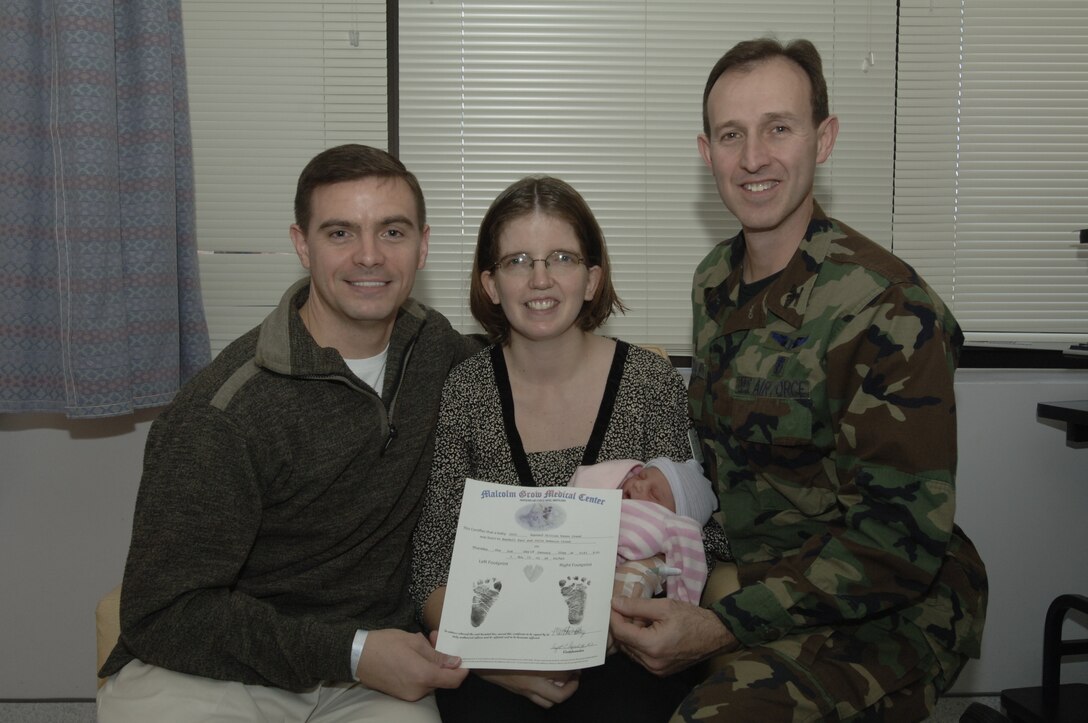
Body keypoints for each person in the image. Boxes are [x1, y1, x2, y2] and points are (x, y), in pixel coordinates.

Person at [610, 38, 988, 722]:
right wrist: (666, 490)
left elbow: (894, 541)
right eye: (732, 135)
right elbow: (737, 460)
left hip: (887, 604)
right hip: (769, 575)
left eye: (778, 128)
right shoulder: (714, 282)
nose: (753, 158)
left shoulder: (888, 307)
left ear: (824, 137)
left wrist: (724, 623)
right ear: (707, 154)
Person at [97, 144, 482, 723]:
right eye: (340, 234)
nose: (370, 256)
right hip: (219, 670)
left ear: (423, 245)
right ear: (302, 245)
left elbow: (531, 383)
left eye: (393, 232)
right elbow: (162, 613)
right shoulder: (225, 408)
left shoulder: (438, 352)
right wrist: (350, 652)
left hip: (374, 679)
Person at [410, 175, 728, 723]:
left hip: (630, 651)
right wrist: (496, 660)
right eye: (516, 261)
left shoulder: (649, 382)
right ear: (490, 284)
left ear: (591, 278)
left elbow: (702, 535)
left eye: (561, 257)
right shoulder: (465, 390)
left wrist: (635, 624)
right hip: (493, 657)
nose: (540, 279)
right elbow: (431, 567)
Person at [569, 457, 718, 603]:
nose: (638, 485)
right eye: (640, 476)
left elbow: (687, 562)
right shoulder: (607, 496)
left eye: (654, 494)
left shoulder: (660, 528)